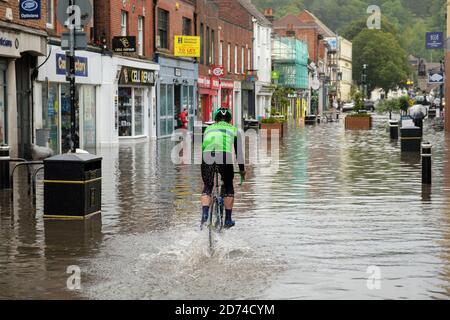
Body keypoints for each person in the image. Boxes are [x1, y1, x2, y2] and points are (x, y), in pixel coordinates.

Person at [200, 107, 245, 228]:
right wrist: (242, 171)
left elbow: (203, 147)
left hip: (207, 156)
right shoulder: (234, 130)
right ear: (229, 120)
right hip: (224, 156)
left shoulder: (208, 129)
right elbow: (239, 155)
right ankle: (228, 219)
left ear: (215, 119)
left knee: (207, 185)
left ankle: (204, 214)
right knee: (228, 184)